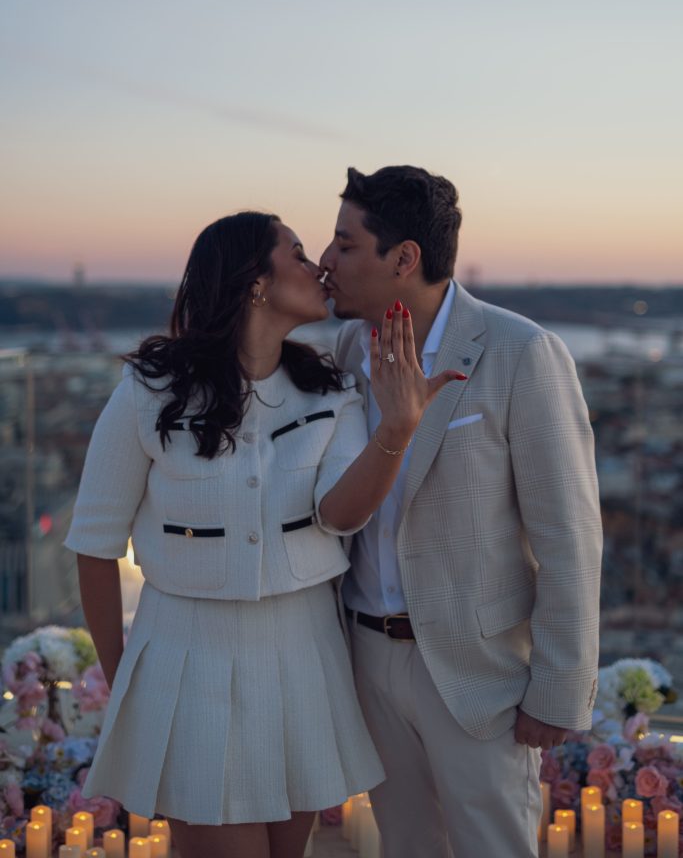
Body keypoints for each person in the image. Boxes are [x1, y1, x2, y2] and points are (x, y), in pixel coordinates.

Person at [65, 211, 466, 858]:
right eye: (300, 253)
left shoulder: (328, 392)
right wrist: (124, 687)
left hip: (305, 661)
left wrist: (395, 431)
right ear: (254, 280)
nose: (319, 268)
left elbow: (341, 515)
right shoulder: (149, 391)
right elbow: (93, 546)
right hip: (188, 664)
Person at [319, 166, 603, 858]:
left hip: (475, 673)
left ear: (404, 257)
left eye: (345, 245)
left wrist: (558, 691)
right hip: (363, 659)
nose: (325, 262)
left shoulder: (520, 351)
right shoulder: (344, 352)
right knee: (405, 847)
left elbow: (568, 535)